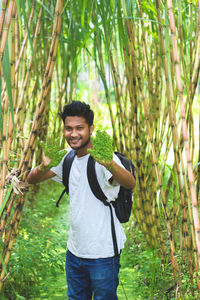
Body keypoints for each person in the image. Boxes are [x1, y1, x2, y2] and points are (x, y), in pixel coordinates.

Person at [27, 100, 135, 300]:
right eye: (68, 129)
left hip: (103, 253)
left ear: (91, 128)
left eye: (79, 128)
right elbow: (30, 180)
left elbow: (129, 182)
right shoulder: (66, 157)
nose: (73, 134)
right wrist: (43, 167)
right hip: (74, 252)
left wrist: (109, 163)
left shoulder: (104, 157)